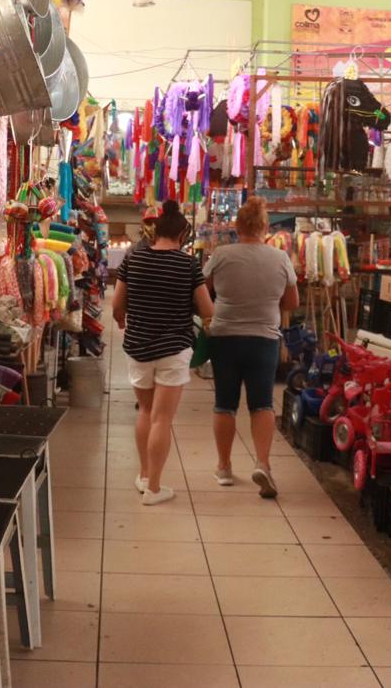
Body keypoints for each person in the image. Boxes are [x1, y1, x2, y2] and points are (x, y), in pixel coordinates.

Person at [112, 200, 213, 506]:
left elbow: (117, 305)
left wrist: (123, 320)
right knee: (162, 419)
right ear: (182, 235)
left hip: (138, 346)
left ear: (155, 232)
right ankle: (154, 489)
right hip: (173, 349)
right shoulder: (188, 265)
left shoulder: (134, 259)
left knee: (146, 411)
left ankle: (144, 476)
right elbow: (207, 310)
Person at [203, 197, 299, 498]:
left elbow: (202, 292)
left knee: (224, 403)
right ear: (264, 227)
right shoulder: (280, 258)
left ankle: (223, 467)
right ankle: (263, 463)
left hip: (224, 337)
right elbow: (292, 302)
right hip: (264, 339)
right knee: (262, 404)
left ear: (237, 226)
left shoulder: (221, 255)